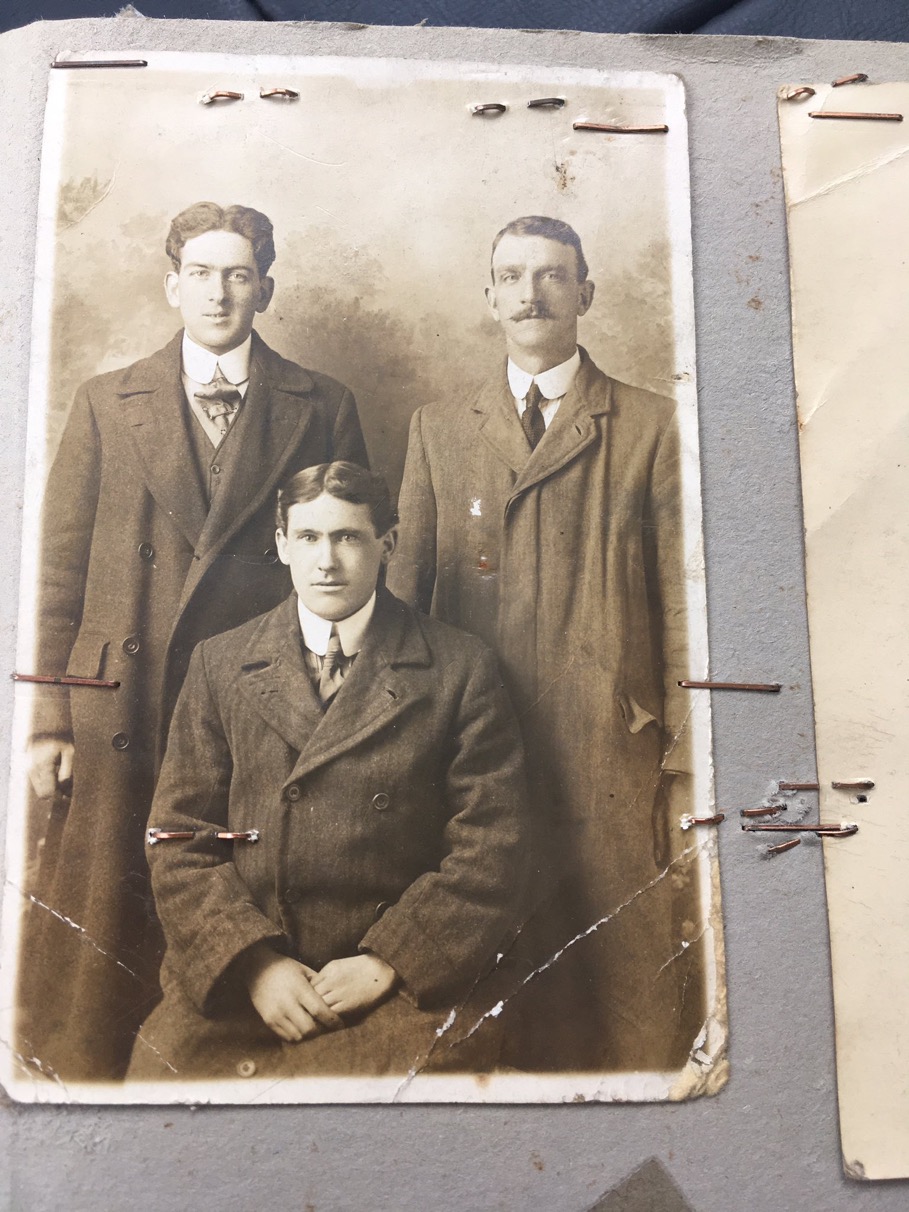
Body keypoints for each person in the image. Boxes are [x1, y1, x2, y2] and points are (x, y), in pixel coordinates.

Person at [18, 202, 368, 1082]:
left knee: (232, 881)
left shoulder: (320, 404)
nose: (219, 293)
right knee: (107, 922)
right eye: (202, 274)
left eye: (238, 275)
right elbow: (56, 574)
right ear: (173, 286)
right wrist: (50, 719)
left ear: (266, 290)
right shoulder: (107, 400)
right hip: (123, 701)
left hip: (255, 693)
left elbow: (345, 566)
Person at [387, 215, 697, 1072]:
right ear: (488, 296)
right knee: (484, 1002)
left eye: (552, 275)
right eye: (511, 276)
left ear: (584, 294)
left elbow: (684, 609)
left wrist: (682, 765)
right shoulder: (437, 428)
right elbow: (401, 607)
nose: (530, 294)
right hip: (470, 759)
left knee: (628, 996)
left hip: (611, 754)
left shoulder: (652, 426)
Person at [127, 462, 530, 1082]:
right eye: (309, 537)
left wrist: (391, 961)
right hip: (246, 982)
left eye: (348, 537)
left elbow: (491, 848)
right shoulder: (221, 663)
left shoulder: (459, 668)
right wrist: (255, 963)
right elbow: (179, 840)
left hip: (398, 985)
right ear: (283, 544)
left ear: (387, 544)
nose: (327, 562)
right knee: (164, 1093)